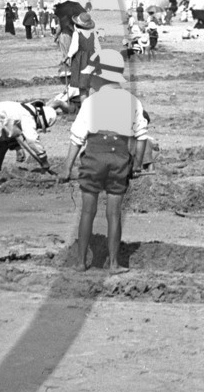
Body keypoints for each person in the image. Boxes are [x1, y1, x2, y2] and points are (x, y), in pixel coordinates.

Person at [61, 49, 150, 271]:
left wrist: (66, 168)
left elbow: (77, 138)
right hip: (119, 159)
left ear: (100, 76)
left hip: (94, 158)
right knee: (114, 213)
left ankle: (81, 262)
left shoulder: (91, 102)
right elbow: (141, 138)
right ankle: (113, 263)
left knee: (87, 212)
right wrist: (137, 165)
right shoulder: (133, 101)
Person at [0, 99, 53, 189]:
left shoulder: (25, 109)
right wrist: (44, 160)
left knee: (3, 145)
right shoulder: (28, 115)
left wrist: (17, 147)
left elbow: (9, 127)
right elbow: (32, 140)